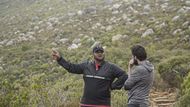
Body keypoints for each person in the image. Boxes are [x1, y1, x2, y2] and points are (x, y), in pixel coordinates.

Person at [52, 44, 128, 107]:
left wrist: (112, 86)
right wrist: (60, 59)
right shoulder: (86, 66)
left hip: (103, 104)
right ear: (93, 54)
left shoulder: (111, 67)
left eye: (101, 51)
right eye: (97, 52)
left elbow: (124, 75)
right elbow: (71, 68)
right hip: (86, 103)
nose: (99, 53)